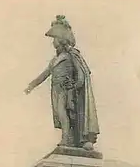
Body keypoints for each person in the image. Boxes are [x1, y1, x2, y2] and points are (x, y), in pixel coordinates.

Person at [24, 15, 99, 150]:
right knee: (60, 114)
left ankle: (66, 138)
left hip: (66, 89)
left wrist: (75, 86)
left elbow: (82, 73)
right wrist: (32, 85)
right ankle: (68, 137)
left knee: (63, 112)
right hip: (56, 89)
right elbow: (45, 74)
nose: (53, 42)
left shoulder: (71, 55)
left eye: (55, 39)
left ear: (61, 40)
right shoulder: (55, 60)